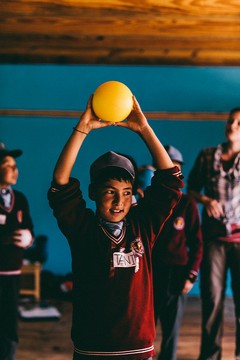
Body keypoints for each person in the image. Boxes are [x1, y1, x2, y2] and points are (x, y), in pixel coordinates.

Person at [47, 95, 184, 360]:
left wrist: (144, 129)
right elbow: (60, 184)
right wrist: (82, 129)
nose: (119, 200)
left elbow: (171, 179)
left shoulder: (143, 226)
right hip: (92, 347)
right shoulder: (82, 228)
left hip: (138, 347)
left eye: (126, 192)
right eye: (110, 191)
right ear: (93, 193)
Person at [187, 107, 240, 360]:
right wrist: (206, 200)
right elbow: (191, 190)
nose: (233, 125)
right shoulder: (207, 156)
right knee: (212, 301)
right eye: (231, 120)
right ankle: (210, 357)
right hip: (213, 240)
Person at [151, 145, 203, 360]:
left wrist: (191, 275)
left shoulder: (187, 204)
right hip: (152, 273)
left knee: (171, 330)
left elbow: (197, 244)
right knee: (146, 328)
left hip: (177, 273)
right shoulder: (150, 201)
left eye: (175, 168)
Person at [0, 143, 34, 360]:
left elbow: (30, 227)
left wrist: (28, 238)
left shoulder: (19, 198)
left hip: (12, 273)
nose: (15, 170)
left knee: (8, 322)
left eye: (15, 165)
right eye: (7, 165)